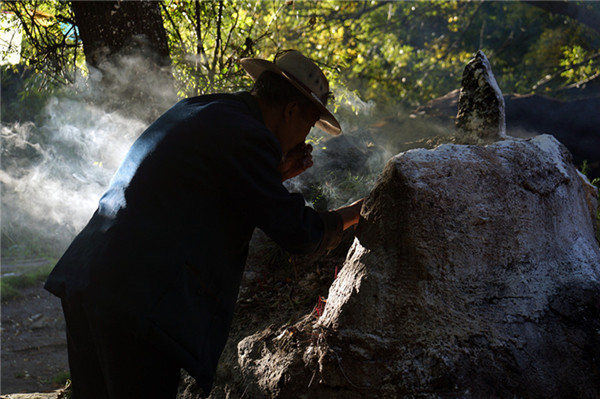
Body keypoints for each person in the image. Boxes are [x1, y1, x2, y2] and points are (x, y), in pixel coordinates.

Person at [44, 49, 363, 399]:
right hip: (136, 301)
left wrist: (271, 176)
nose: (306, 139)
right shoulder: (248, 136)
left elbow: (207, 193)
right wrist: (356, 212)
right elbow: (299, 233)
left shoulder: (206, 109)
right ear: (290, 111)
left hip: (91, 278)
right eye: (309, 124)